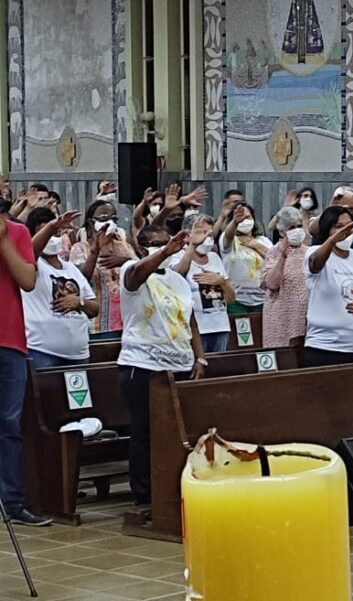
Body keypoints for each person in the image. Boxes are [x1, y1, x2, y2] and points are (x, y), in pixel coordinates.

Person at [118, 225, 207, 507]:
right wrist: (164, 252)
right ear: (143, 247)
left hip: (179, 362)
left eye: (166, 243)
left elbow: (190, 320)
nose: (164, 248)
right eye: (156, 244)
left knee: (175, 430)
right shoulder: (132, 270)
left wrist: (199, 356)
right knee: (145, 430)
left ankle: (174, 485)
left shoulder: (177, 280)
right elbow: (135, 277)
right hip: (142, 364)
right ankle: (144, 494)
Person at [0, 197, 49, 525]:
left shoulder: (16, 233)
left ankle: (12, 502)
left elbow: (28, 281)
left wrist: (3, 240)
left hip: (10, 341)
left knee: (9, 425)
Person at [304, 205, 353, 366]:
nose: (345, 232)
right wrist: (333, 240)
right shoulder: (314, 252)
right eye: (339, 227)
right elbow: (315, 264)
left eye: (349, 227)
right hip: (325, 347)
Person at [23, 207, 98, 367]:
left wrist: (79, 302)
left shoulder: (71, 269)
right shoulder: (32, 265)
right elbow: (29, 252)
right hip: (42, 352)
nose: (53, 238)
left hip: (79, 354)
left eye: (57, 234)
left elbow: (94, 308)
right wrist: (51, 227)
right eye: (48, 234)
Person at [170, 215, 234, 353]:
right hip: (194, 327)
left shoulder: (215, 258)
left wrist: (221, 282)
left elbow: (231, 298)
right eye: (202, 233)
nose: (207, 238)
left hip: (220, 325)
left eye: (210, 234)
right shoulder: (177, 256)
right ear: (188, 234)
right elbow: (177, 275)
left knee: (219, 367)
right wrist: (192, 245)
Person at [72, 199, 137, 333]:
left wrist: (125, 261)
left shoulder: (125, 246)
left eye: (113, 218)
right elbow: (79, 279)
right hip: (97, 323)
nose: (109, 222)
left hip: (127, 321)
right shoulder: (80, 248)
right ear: (91, 222)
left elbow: (140, 272)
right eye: (103, 218)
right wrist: (95, 251)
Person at [260, 206, 310, 349]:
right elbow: (272, 284)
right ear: (282, 231)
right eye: (291, 227)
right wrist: (283, 256)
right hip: (282, 317)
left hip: (306, 316)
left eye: (299, 226)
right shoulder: (273, 252)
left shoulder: (309, 252)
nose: (297, 230)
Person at [220, 201, 272, 313]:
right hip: (236, 300)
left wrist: (256, 245)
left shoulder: (263, 241)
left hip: (262, 300)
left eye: (248, 217)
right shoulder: (228, 239)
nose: (244, 221)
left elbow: (274, 259)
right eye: (241, 218)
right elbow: (228, 236)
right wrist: (235, 222)